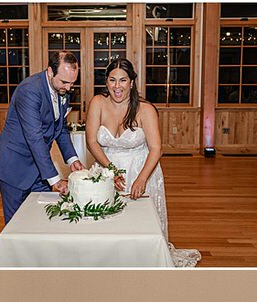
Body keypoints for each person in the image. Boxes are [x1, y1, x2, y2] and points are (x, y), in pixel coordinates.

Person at [85, 57, 200, 268]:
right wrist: (110, 169)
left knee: (139, 224)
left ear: (131, 82)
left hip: (140, 168)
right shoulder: (97, 103)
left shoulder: (145, 109)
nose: (117, 86)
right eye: (112, 80)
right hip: (106, 167)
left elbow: (156, 148)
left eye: (123, 80)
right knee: (108, 222)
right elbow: (91, 141)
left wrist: (142, 179)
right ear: (106, 81)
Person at [0, 51, 85, 224]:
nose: (68, 88)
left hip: (40, 168)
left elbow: (60, 129)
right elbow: (35, 138)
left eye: (72, 83)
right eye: (64, 82)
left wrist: (72, 159)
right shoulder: (29, 90)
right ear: (50, 71)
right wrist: (55, 180)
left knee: (44, 218)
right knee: (16, 224)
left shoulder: (62, 90)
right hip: (15, 166)